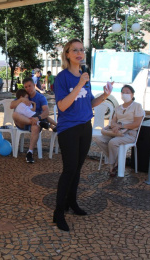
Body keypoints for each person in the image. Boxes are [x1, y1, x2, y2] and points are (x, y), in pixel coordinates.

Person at [53, 39, 112, 232]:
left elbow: (89, 103)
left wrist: (104, 95)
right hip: (68, 129)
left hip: (85, 127)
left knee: (77, 169)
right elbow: (62, 105)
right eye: (74, 50)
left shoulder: (84, 76)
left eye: (81, 50)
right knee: (69, 170)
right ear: (67, 54)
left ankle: (72, 203)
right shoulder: (62, 77)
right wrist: (80, 84)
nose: (79, 53)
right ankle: (58, 213)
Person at [94, 85, 144, 177]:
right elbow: (113, 121)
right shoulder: (118, 108)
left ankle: (112, 165)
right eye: (123, 92)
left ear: (132, 94)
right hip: (116, 132)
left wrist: (121, 125)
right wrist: (114, 126)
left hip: (130, 133)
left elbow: (137, 123)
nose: (125, 94)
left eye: (127, 92)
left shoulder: (137, 106)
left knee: (113, 142)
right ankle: (117, 160)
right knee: (99, 139)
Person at [10, 77, 50, 163]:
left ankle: (30, 152)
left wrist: (38, 118)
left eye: (29, 86)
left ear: (34, 85)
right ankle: (39, 123)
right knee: (14, 114)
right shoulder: (23, 95)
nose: (28, 88)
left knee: (35, 127)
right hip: (22, 122)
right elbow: (11, 106)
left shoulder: (40, 97)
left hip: (35, 122)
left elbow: (46, 111)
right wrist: (21, 99)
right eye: (26, 87)